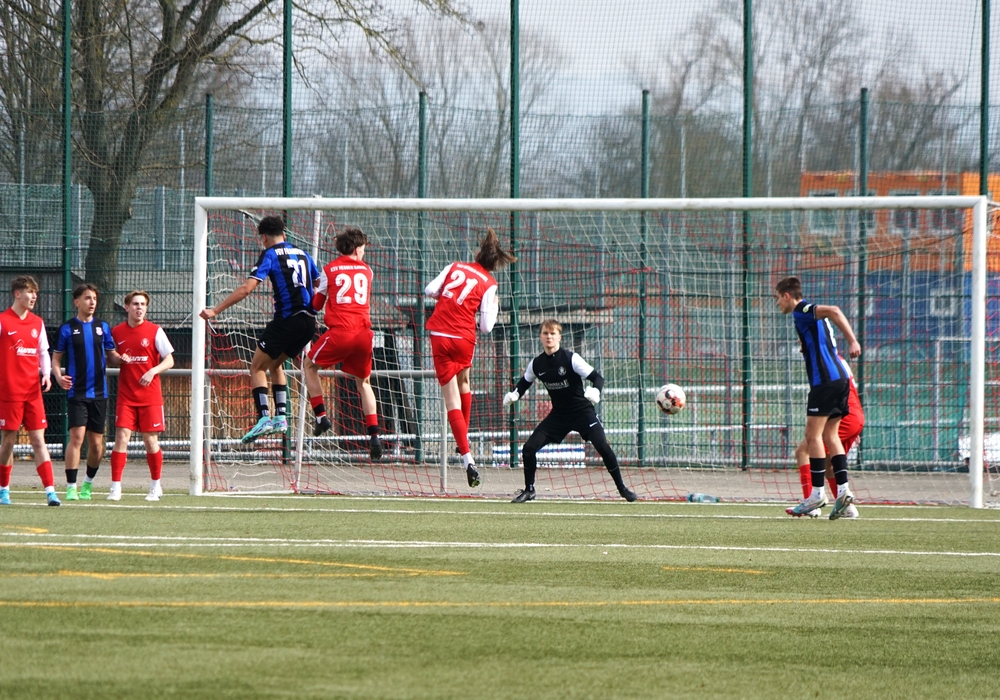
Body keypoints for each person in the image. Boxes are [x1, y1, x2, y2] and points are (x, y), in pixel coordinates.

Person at [200, 215, 320, 443]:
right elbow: (319, 284)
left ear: (264, 238)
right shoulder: (304, 254)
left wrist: (216, 310)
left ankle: (264, 417)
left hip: (286, 320)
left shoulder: (270, 254)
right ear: (284, 235)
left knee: (256, 367)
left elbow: (247, 289)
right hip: (308, 323)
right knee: (275, 364)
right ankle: (282, 417)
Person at [503, 319, 637, 503]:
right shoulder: (537, 364)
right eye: (545, 333)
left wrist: (596, 390)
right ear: (540, 337)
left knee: (603, 447)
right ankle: (529, 490)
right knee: (528, 448)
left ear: (559, 336)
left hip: (583, 412)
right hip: (559, 415)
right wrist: (515, 394)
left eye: (552, 333)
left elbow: (597, 377)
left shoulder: (570, 358)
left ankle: (622, 489)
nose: (549, 337)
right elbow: (524, 382)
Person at [424, 228, 515, 488]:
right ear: (494, 265)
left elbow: (429, 289)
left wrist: (446, 297)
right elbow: (486, 327)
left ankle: (467, 458)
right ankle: (463, 440)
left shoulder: (455, 266)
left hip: (440, 333)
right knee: (464, 382)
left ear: (477, 254)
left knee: (450, 396)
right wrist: (494, 306)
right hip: (464, 339)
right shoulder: (489, 283)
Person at [775, 276, 861, 520]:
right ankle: (843, 493)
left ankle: (816, 494)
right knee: (830, 436)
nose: (778, 304)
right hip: (841, 379)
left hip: (824, 381)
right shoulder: (809, 319)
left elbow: (834, 310)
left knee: (812, 437)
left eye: (778, 298)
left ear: (787, 296)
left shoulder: (802, 309)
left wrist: (853, 340)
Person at [303, 226, 382, 459]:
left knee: (309, 365)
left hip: (341, 332)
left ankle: (321, 416)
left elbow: (316, 306)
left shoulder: (330, 269)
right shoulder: (368, 272)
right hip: (364, 334)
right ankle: (374, 435)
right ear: (357, 249)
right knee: (364, 384)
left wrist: (313, 288)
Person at [52, 284, 120, 501]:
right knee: (77, 437)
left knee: (97, 444)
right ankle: (71, 486)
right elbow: (56, 359)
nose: (92, 302)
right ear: (77, 302)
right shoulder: (67, 328)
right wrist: (58, 376)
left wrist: (125, 359)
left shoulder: (103, 327)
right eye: (87, 298)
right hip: (77, 392)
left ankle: (88, 485)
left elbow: (112, 356)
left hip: (100, 393)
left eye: (94, 299)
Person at [110, 291, 175, 502]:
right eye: (136, 304)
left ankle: (156, 486)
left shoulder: (155, 331)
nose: (139, 308)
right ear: (127, 307)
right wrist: (119, 358)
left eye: (143, 305)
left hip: (150, 396)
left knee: (150, 441)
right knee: (121, 438)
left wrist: (152, 371)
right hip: (126, 396)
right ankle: (115, 487)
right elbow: (110, 356)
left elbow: (169, 360)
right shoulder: (117, 332)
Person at [0, 276, 59, 506]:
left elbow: (43, 352)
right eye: (30, 292)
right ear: (17, 294)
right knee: (8, 440)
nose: (34, 296)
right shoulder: (3, 321)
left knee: (38, 439)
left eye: (35, 292)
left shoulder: (37, 322)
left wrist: (46, 373)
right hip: (10, 392)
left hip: (32, 392)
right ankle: (4, 488)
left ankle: (51, 491)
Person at [788, 353, 863, 519]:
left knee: (803, 452)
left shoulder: (824, 360)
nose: (800, 342)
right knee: (828, 466)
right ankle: (846, 508)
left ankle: (812, 504)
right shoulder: (837, 360)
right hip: (852, 414)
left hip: (844, 415)